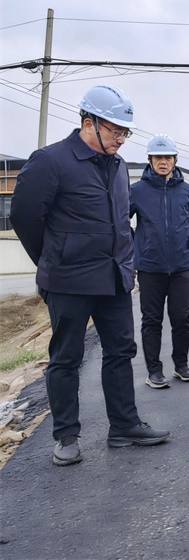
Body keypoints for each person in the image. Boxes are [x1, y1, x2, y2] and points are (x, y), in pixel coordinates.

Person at [10, 85, 170, 466]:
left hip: (113, 278)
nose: (121, 139)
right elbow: (25, 218)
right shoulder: (51, 161)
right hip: (68, 280)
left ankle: (124, 426)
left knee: (121, 351)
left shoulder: (118, 167)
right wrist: (52, 260)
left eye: (125, 132)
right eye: (116, 131)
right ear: (88, 124)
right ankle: (66, 436)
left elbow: (120, 221)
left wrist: (126, 262)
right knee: (67, 357)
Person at [130, 134, 189, 389]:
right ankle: (154, 371)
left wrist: (183, 243)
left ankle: (181, 366)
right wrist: (139, 244)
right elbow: (121, 220)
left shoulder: (187, 191)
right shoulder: (137, 191)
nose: (163, 162)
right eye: (158, 157)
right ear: (150, 160)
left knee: (181, 318)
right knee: (152, 320)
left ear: (175, 160)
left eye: (168, 157)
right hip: (150, 267)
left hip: (181, 267)